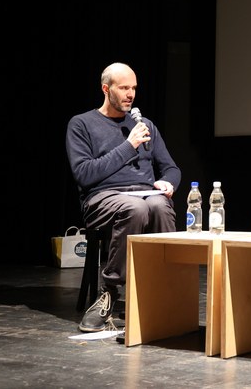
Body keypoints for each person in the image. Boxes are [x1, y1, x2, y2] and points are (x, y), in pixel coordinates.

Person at [66, 62, 181, 332]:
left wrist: (167, 182)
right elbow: (84, 174)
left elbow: (171, 168)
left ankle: (162, 293)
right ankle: (109, 293)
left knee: (160, 205)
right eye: (124, 88)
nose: (131, 94)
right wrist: (129, 146)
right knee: (135, 209)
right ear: (106, 89)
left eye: (134, 88)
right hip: (102, 198)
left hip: (144, 194)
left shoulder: (145, 125)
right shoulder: (82, 124)